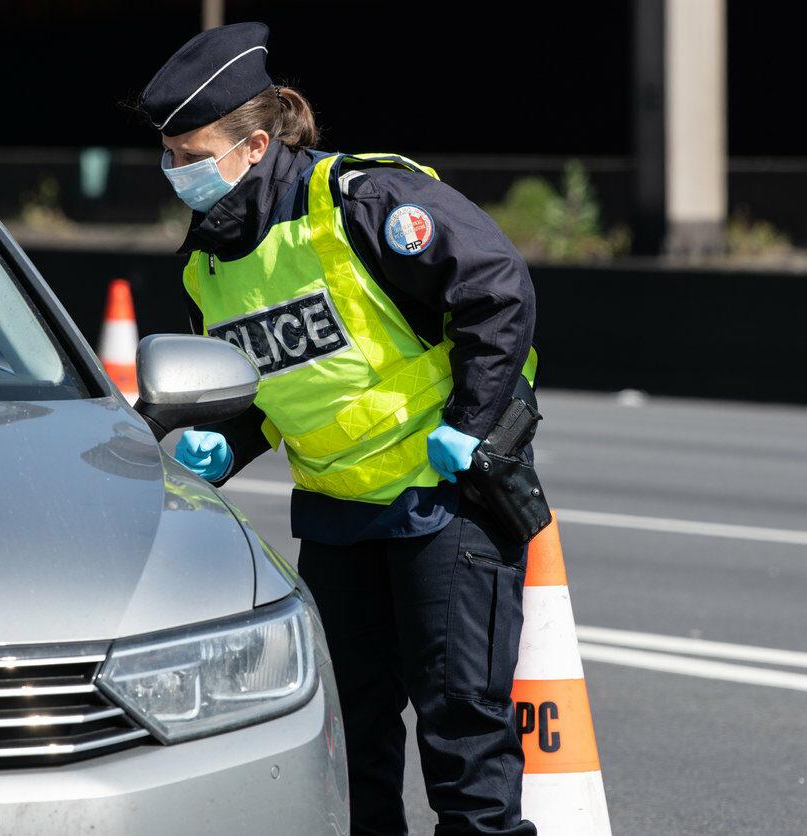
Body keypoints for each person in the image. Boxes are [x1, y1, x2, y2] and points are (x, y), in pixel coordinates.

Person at [141, 22, 540, 836]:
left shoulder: (364, 201)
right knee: (348, 743)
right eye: (170, 156)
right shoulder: (206, 262)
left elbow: (499, 293)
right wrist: (229, 438)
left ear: (254, 144)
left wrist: (472, 425)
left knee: (463, 735)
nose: (177, 172)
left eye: (192, 154)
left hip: (445, 500)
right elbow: (259, 383)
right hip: (337, 516)